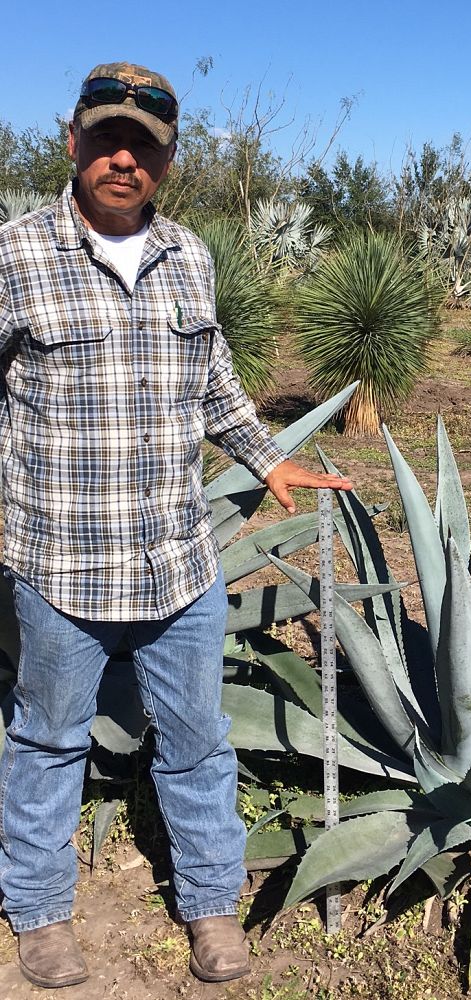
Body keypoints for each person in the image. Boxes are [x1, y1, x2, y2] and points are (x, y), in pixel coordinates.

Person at [0, 62, 352, 990]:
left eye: (145, 146)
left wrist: (268, 458)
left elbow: (215, 389)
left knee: (197, 740)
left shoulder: (190, 256)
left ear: (167, 159)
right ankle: (39, 914)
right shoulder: (15, 254)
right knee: (46, 739)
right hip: (57, 562)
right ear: (71, 142)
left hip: (177, 563)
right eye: (107, 138)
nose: (124, 159)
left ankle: (209, 905)